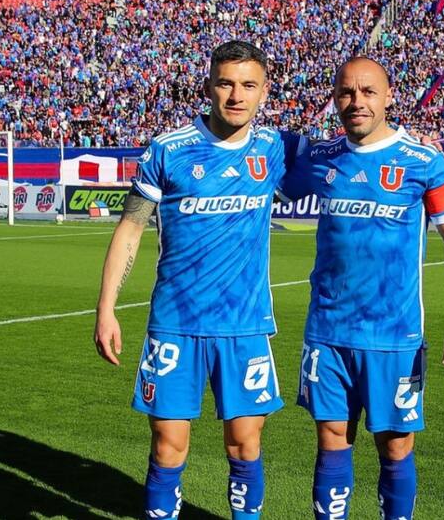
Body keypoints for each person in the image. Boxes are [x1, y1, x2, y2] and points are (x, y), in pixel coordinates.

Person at [93, 41, 304, 519]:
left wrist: (410, 134)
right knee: (169, 445)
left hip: (245, 326)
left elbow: (356, 148)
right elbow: (130, 227)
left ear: (264, 90)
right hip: (175, 324)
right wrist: (106, 308)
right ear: (208, 85)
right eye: (226, 83)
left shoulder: (276, 148)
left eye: (248, 85)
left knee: (245, 445)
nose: (236, 95)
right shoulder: (169, 150)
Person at [278, 57, 444, 520]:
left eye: (368, 92)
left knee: (395, 445)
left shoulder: (423, 160)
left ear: (389, 96)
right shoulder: (323, 159)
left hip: (394, 336)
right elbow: (260, 161)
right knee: (330, 441)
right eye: (346, 93)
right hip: (327, 332)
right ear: (334, 98)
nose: (356, 102)